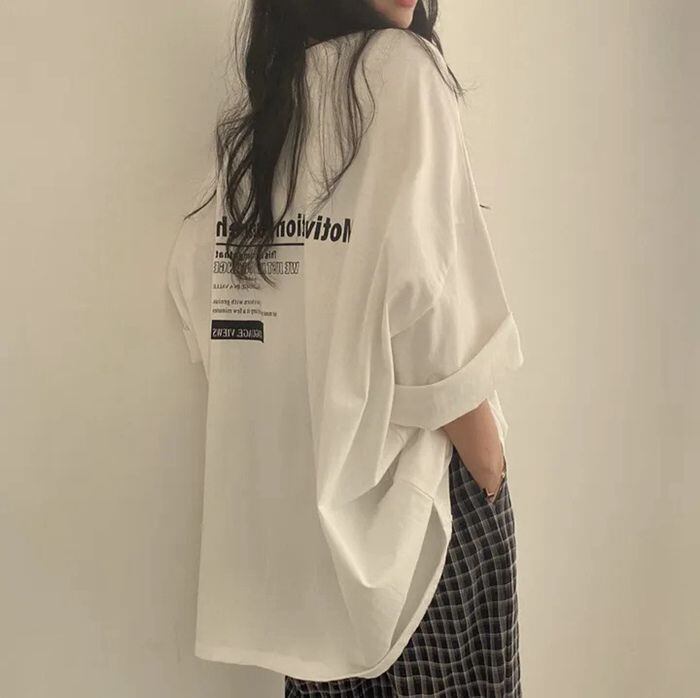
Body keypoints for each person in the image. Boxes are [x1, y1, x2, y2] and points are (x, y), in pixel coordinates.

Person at [166, 1, 525, 695]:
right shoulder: (404, 74)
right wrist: (490, 468)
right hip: (423, 517)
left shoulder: (272, 113)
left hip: (315, 554)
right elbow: (435, 328)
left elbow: (210, 301)